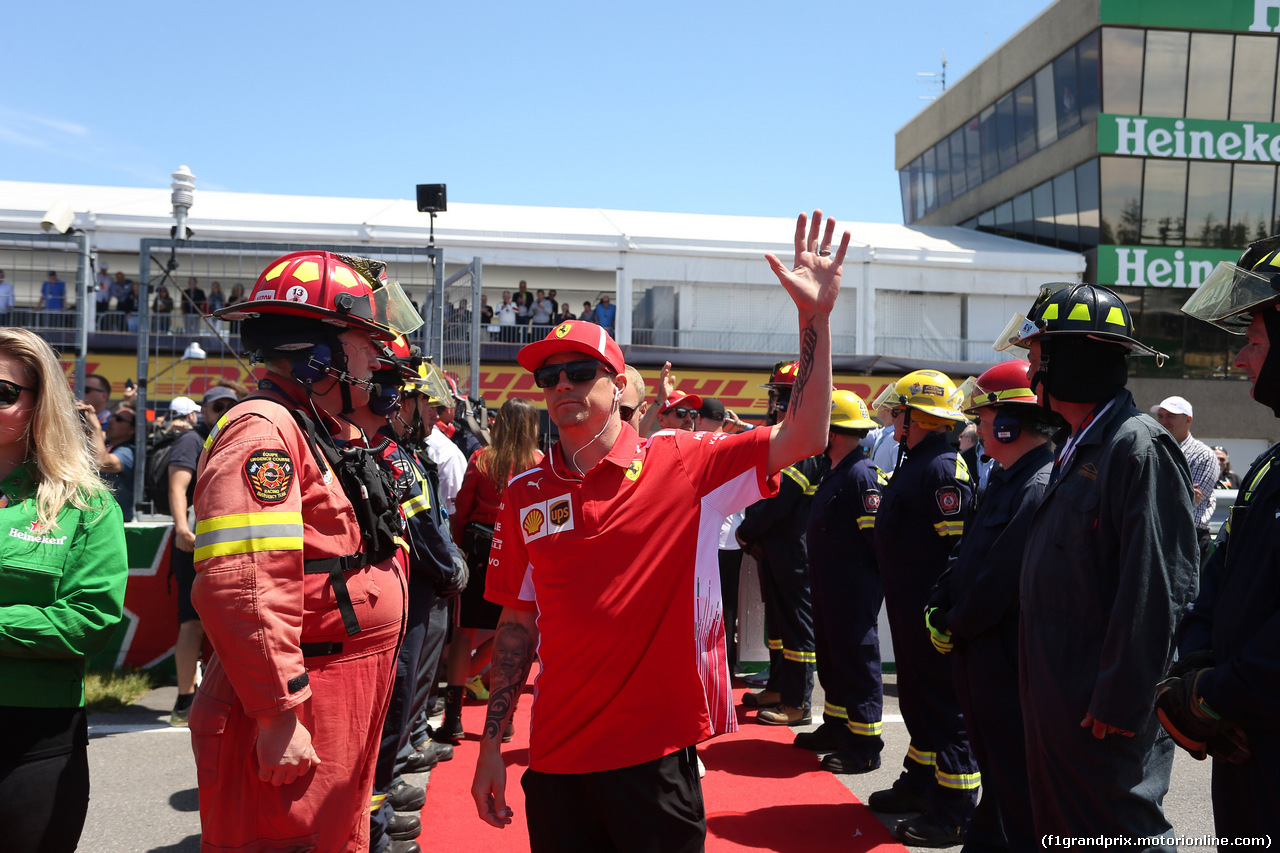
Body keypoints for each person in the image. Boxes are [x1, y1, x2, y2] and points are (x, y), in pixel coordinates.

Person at [472, 210, 848, 850]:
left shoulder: (683, 461)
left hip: (655, 762)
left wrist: (815, 321)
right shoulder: (524, 494)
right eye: (548, 376)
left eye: (578, 372)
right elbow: (516, 625)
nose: (561, 385)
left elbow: (805, 436)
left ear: (618, 385)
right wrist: (491, 747)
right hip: (557, 762)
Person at [189, 250, 420, 851]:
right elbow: (244, 582)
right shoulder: (264, 431)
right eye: (366, 344)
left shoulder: (316, 425)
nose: (377, 359)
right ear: (321, 354)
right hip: (300, 697)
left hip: (337, 684)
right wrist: (277, 714)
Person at [995, 282, 1198, 849]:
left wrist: (1121, 696)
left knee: (1118, 835)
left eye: (1037, 358)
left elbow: (1158, 586)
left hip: (1100, 711)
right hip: (1061, 696)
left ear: (1073, 359)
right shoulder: (1080, 443)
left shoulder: (1138, 447)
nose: (1031, 372)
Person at [1165, 235, 1280, 836]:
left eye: (1254, 343)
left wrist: (1215, 697)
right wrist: (1199, 673)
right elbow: (1220, 583)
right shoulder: (1270, 465)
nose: (1240, 360)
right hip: (1244, 745)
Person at [0, 328, 128, 853]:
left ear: (40, 403)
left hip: (33, 739)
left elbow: (89, 621)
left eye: (3, 392)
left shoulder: (86, 506)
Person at [925, 360, 1057, 852]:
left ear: (1008, 421)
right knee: (999, 785)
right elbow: (965, 553)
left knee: (1016, 790)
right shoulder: (1006, 477)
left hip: (1003, 664)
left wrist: (952, 622)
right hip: (980, 658)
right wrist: (939, 603)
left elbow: (1000, 580)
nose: (976, 427)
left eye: (982, 417)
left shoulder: (1038, 485)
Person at [354, 345, 464, 853]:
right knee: (393, 703)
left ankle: (376, 812)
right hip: (396, 597)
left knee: (400, 704)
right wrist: (452, 569)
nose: (431, 413)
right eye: (417, 400)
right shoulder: (386, 452)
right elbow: (423, 530)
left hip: (404, 593)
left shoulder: (399, 451)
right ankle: (372, 826)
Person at [867, 368, 979, 846]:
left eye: (901, 416)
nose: (895, 426)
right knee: (917, 700)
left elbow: (957, 551)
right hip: (909, 608)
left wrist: (942, 610)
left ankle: (953, 809)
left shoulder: (942, 468)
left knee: (943, 706)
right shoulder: (917, 461)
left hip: (930, 612)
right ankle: (920, 783)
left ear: (921, 418)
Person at [798, 390, 887, 776]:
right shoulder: (836, 470)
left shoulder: (861, 474)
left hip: (852, 593)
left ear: (830, 432)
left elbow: (876, 541)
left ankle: (864, 746)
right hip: (830, 588)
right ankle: (836, 727)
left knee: (856, 664)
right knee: (833, 663)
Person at [445, 397, 543, 742]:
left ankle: (452, 719)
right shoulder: (538, 463)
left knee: (463, 634)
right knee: (515, 635)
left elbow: (463, 508)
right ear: (531, 427)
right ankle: (505, 720)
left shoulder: (482, 458)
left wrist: (459, 547)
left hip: (478, 549)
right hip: (519, 555)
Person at [738, 360, 824, 727]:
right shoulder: (785, 436)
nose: (773, 401)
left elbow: (779, 497)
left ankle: (798, 702)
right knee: (777, 623)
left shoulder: (801, 443)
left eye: (779, 394)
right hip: (775, 547)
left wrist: (747, 530)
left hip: (794, 550)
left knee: (796, 626)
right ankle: (777, 686)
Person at [167, 387, 239, 727]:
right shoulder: (191, 441)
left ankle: (219, 698)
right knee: (192, 622)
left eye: (230, 406)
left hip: (227, 544)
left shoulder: (235, 436)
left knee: (226, 622)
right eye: (218, 406)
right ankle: (184, 699)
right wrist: (182, 528)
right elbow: (177, 487)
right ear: (204, 411)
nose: (224, 411)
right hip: (194, 543)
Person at [1151, 395, 1219, 567]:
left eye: (1171, 416)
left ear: (1188, 420)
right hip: (1157, 533)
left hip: (1188, 536)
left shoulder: (1203, 455)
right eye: (1160, 416)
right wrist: (1179, 491)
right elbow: (1185, 496)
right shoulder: (1152, 449)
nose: (1163, 421)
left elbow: (1190, 501)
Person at [84, 401, 138, 522]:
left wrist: (96, 427)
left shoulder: (128, 451)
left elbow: (102, 462)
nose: (112, 420)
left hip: (117, 521)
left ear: (131, 430)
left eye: (118, 419)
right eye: (113, 416)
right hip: (99, 516)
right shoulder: (109, 443)